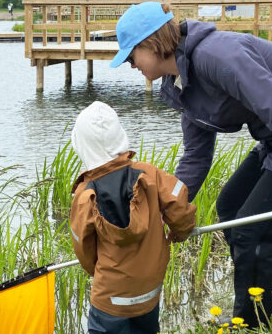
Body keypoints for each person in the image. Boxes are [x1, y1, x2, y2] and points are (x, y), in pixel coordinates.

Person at [108, 2, 272, 328]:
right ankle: (256, 308)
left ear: (152, 43)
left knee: (253, 233)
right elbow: (196, 158)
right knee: (229, 207)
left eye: (131, 56)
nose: (131, 65)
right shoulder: (180, 84)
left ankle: (253, 322)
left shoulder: (218, 56)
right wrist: (165, 209)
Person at [69, 101, 197, 334]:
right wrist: (180, 231)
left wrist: (98, 270)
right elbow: (179, 207)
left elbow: (84, 249)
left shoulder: (85, 193)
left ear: (81, 144)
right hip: (149, 292)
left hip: (110, 300)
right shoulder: (149, 173)